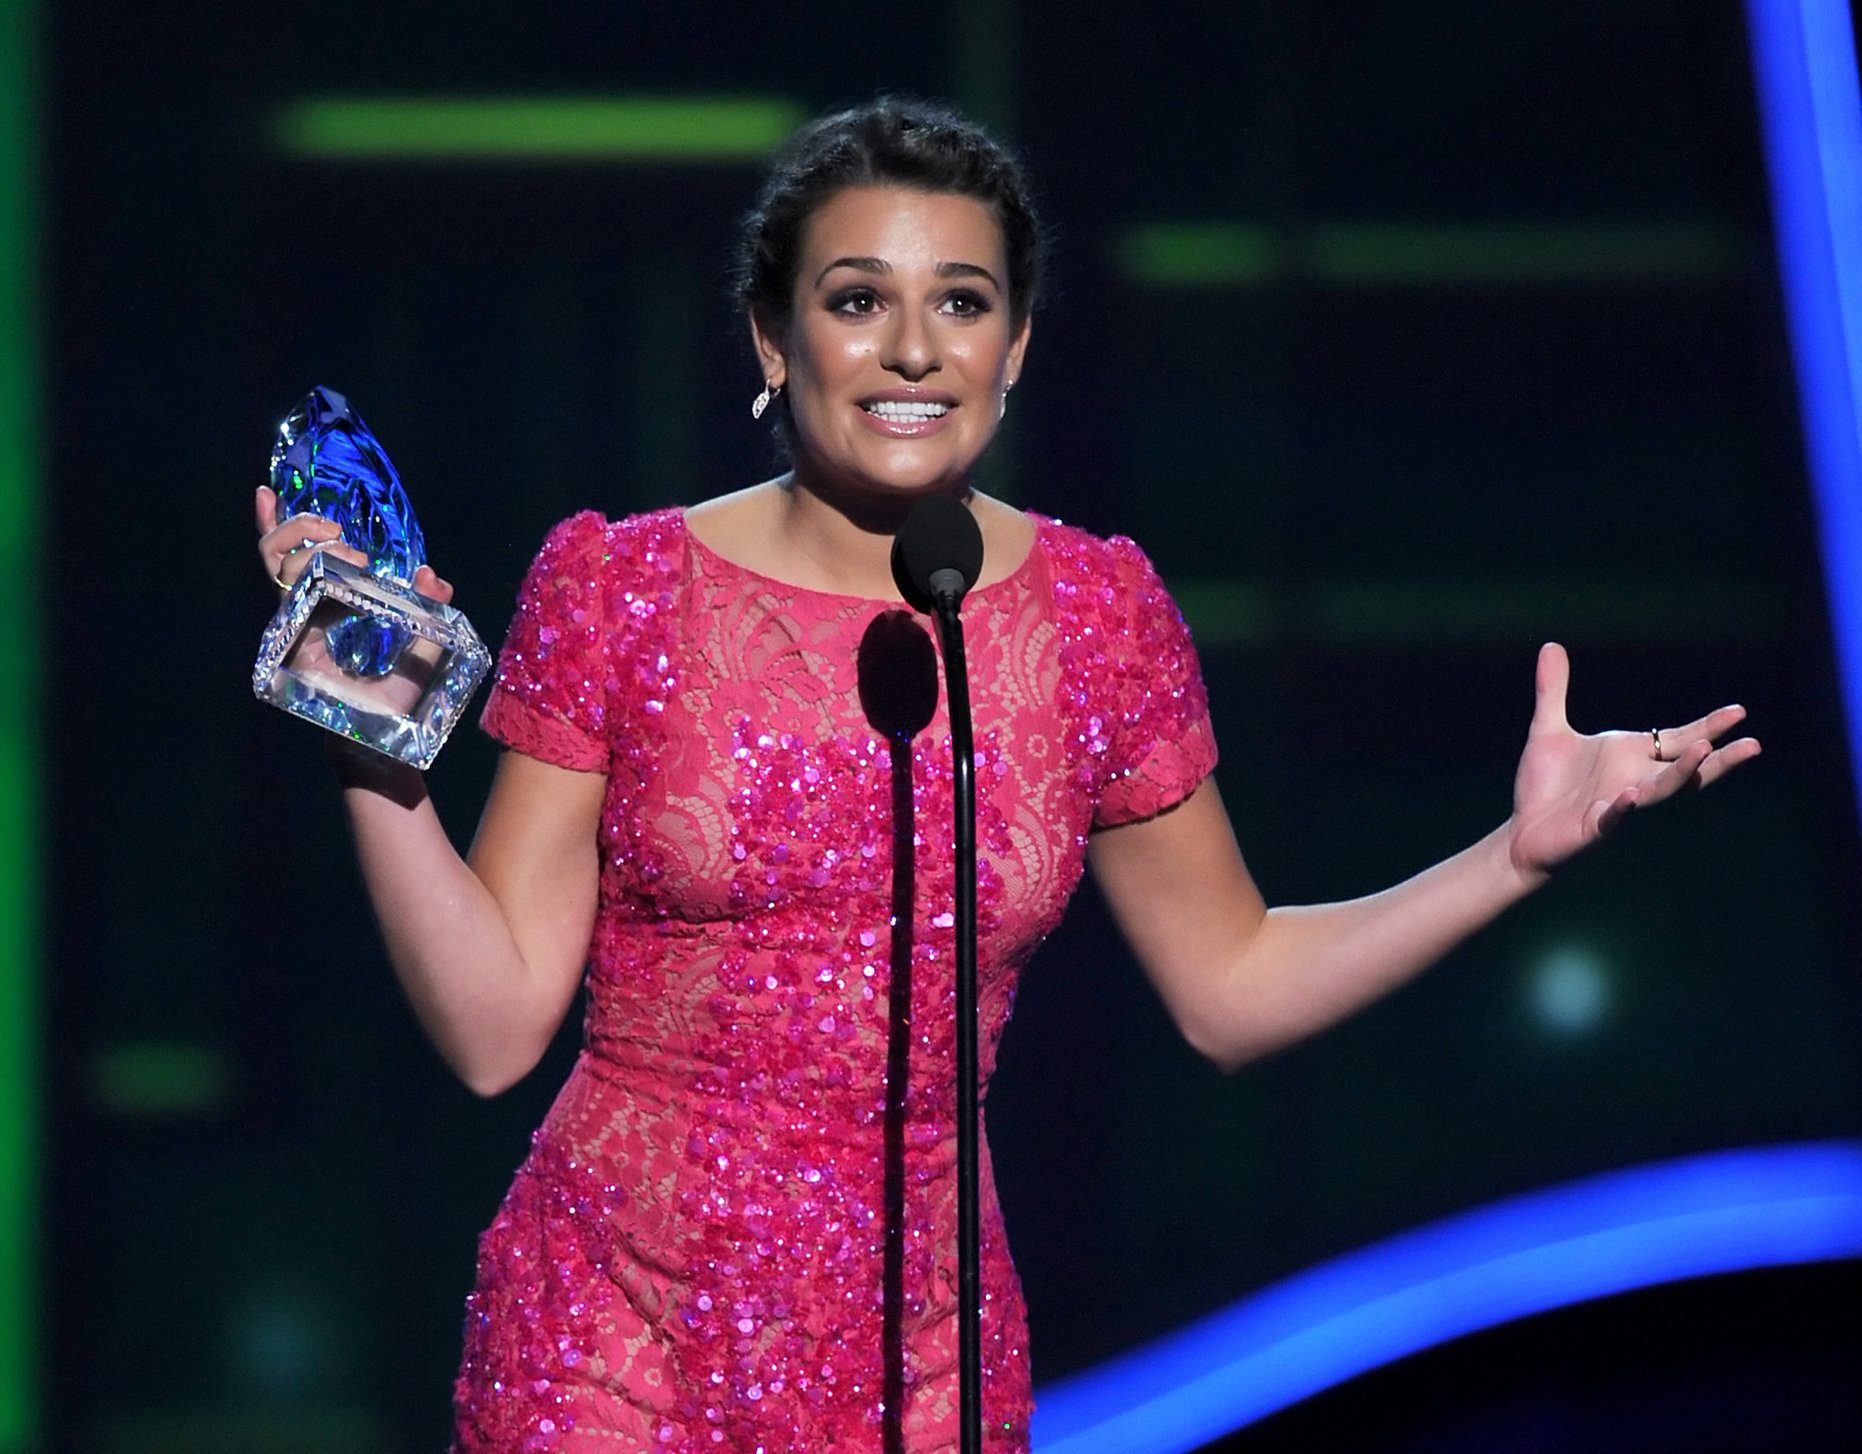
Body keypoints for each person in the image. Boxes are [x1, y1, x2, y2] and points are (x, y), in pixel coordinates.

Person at [254, 99, 1758, 1454]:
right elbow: (490, 1023)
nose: (914, 348)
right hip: (610, 1344)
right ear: (774, 341)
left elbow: (1225, 984)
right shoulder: (619, 585)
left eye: (960, 303)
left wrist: (1509, 854)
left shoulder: (1094, 616)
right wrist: (359, 740)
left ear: (1015, 345)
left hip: (921, 1358)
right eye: (858, 302)